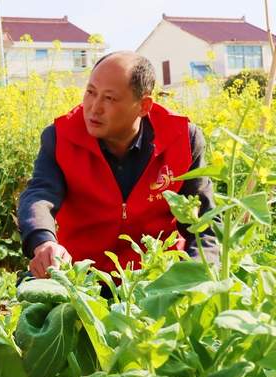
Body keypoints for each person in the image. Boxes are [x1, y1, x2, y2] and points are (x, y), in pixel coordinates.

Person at [18, 51, 218, 282]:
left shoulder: (183, 138)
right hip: (81, 278)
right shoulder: (60, 136)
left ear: (144, 106)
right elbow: (38, 195)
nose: (94, 107)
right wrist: (44, 242)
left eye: (109, 98)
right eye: (90, 92)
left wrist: (194, 277)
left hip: (158, 279)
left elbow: (206, 221)